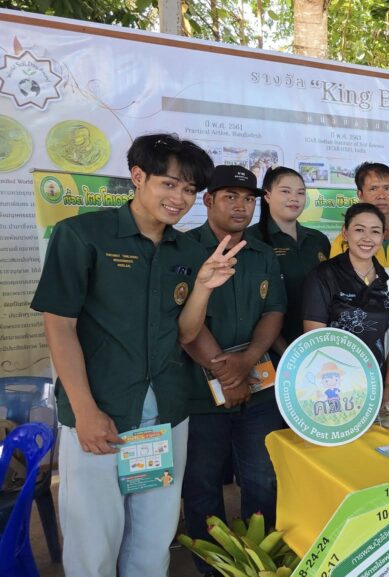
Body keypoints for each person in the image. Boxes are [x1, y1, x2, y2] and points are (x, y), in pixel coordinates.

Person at [30, 133, 243, 577]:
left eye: (189, 189)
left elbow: (185, 333)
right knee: (93, 540)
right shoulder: (83, 235)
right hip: (101, 411)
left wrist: (203, 287)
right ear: (138, 176)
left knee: (153, 536)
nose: (179, 198)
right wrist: (85, 411)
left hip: (165, 414)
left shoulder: (188, 251)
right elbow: (59, 326)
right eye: (169, 184)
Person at [177, 165, 286, 576]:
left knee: (263, 480)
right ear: (208, 200)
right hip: (198, 394)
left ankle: (260, 565)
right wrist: (225, 373)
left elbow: (273, 310)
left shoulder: (262, 253)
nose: (241, 206)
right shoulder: (183, 249)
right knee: (202, 487)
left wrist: (249, 359)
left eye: (248, 199)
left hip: (259, 390)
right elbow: (183, 322)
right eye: (230, 197)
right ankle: (214, 569)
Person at [303, 203, 389, 403]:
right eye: (359, 230)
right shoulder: (324, 275)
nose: (367, 238)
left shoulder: (388, 279)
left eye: (375, 231)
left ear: (383, 236)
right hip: (335, 388)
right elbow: (314, 339)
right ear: (345, 233)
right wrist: (338, 390)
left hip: (378, 384)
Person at [249, 166, 331, 357]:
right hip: (270, 351)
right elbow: (252, 307)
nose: (294, 198)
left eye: (300, 193)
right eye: (285, 191)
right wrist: (289, 355)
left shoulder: (318, 239)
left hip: (318, 347)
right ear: (267, 196)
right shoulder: (252, 239)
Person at [329, 162, 389, 291]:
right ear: (360, 195)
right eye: (373, 189)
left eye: (387, 188)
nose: (381, 196)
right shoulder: (345, 241)